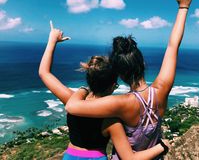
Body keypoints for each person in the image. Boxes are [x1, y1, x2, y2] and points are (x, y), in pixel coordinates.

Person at [66, 0, 197, 159]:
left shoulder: (120, 103)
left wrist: (84, 89)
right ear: (142, 64)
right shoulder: (161, 89)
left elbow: (71, 107)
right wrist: (183, 7)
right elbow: (173, 46)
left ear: (119, 74)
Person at [39, 21, 169, 160]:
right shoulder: (112, 117)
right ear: (113, 85)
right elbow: (129, 157)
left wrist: (52, 40)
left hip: (71, 156)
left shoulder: (73, 99)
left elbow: (44, 73)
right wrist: (162, 146)